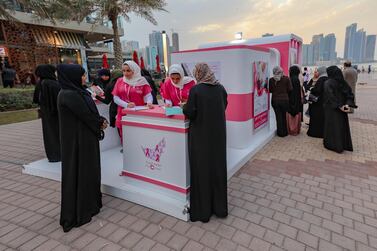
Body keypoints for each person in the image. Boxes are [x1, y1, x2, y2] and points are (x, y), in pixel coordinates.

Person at [57, 64, 108, 232]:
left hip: (85, 138)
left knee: (89, 171)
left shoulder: (77, 91)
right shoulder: (68, 95)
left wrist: (99, 121)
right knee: (81, 171)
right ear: (72, 76)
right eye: (82, 75)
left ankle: (91, 202)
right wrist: (100, 123)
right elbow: (86, 115)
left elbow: (88, 112)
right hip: (78, 142)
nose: (85, 78)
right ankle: (81, 208)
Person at [183, 63, 228, 223]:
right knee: (217, 168)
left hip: (201, 136)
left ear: (198, 73)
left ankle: (203, 211)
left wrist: (184, 108)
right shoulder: (220, 88)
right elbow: (224, 106)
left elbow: (189, 112)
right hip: (218, 136)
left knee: (201, 169)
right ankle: (220, 208)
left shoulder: (196, 90)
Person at [112, 61, 153, 140]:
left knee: (138, 137)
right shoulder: (120, 81)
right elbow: (115, 98)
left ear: (134, 70)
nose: (125, 73)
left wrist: (149, 102)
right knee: (124, 138)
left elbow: (148, 96)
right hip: (123, 114)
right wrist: (126, 105)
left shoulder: (141, 81)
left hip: (138, 114)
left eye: (128, 71)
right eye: (123, 71)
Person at [323, 66, 357, 153]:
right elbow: (350, 94)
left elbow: (330, 96)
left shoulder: (328, 83)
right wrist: (347, 104)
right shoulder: (342, 82)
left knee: (332, 126)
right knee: (341, 126)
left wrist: (339, 105)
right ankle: (342, 144)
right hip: (342, 108)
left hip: (332, 108)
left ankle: (333, 145)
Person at [34, 65, 61, 162]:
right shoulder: (53, 84)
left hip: (46, 113)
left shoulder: (40, 83)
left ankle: (52, 155)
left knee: (49, 134)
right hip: (56, 114)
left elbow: (37, 99)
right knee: (58, 133)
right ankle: (59, 154)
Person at [269, 66, 292, 137]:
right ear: (281, 71)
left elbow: (270, 90)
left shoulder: (271, 80)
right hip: (285, 100)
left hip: (275, 100)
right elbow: (290, 89)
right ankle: (285, 132)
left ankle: (280, 133)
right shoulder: (286, 79)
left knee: (278, 117)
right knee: (283, 116)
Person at [307, 66, 328, 138]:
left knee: (316, 118)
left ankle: (315, 133)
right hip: (324, 102)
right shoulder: (328, 78)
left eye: (318, 71)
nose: (317, 72)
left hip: (318, 102)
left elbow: (317, 90)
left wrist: (312, 89)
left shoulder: (321, 79)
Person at [287, 65, 304, 135]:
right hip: (297, 99)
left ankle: (291, 130)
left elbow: (290, 90)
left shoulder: (291, 79)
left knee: (291, 114)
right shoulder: (296, 79)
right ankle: (296, 130)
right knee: (296, 113)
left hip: (291, 99)